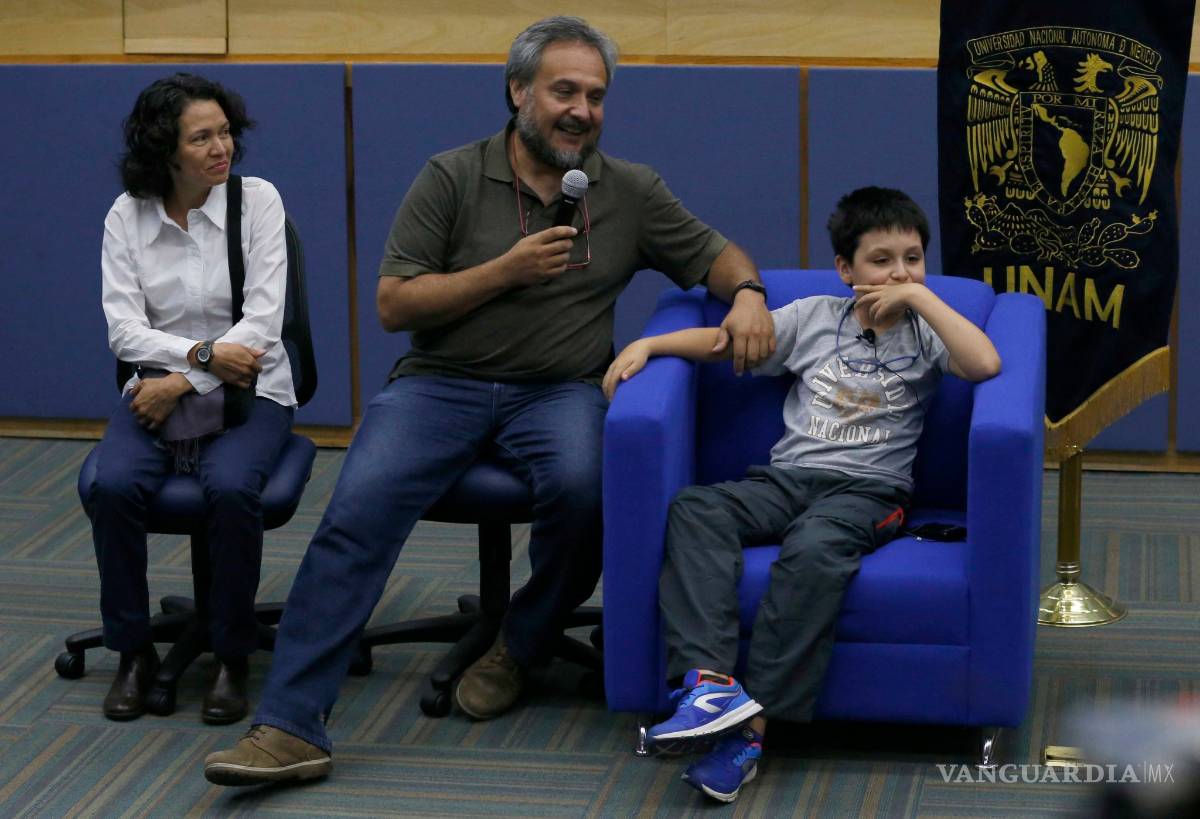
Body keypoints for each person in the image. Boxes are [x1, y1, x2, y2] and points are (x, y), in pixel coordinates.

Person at [204, 15, 774, 787]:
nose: (581, 110)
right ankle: (290, 725)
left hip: (560, 390)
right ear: (518, 92)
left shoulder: (628, 190)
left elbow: (717, 253)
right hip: (442, 385)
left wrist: (746, 293)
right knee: (357, 508)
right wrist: (504, 270)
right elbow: (394, 305)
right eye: (563, 90)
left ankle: (522, 642)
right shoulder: (451, 175)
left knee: (587, 493)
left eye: (596, 96)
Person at [602, 187, 1002, 803]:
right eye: (881, 260)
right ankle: (709, 686)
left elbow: (984, 364)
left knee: (814, 551)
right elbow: (720, 343)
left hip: (870, 491)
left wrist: (923, 296)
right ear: (846, 270)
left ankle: (750, 732)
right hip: (787, 478)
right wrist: (649, 345)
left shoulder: (927, 331)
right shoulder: (815, 316)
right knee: (697, 508)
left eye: (913, 258)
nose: (898, 272)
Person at [88, 73, 295, 724]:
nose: (220, 148)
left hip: (254, 387)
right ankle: (132, 652)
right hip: (154, 388)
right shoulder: (128, 214)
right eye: (201, 137)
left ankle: (232, 657)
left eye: (225, 132)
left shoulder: (256, 202)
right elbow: (123, 328)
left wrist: (185, 375)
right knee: (114, 486)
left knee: (232, 489)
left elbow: (261, 326)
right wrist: (202, 358)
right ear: (164, 149)